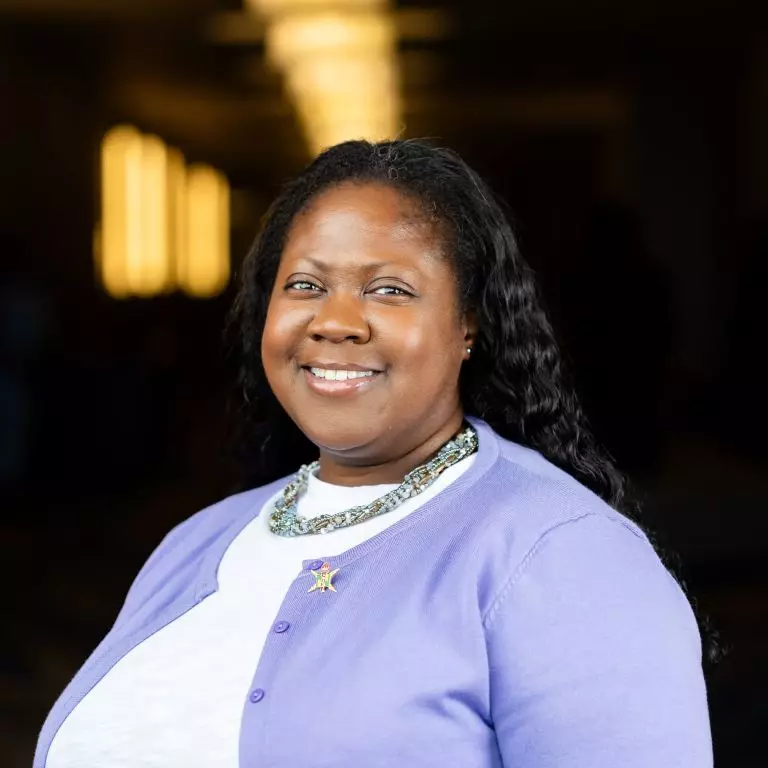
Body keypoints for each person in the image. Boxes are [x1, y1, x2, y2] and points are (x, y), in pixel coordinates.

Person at [35, 139, 713, 767]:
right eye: (305, 285)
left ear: (468, 323)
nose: (334, 322)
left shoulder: (561, 555)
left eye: (389, 289)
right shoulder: (197, 542)